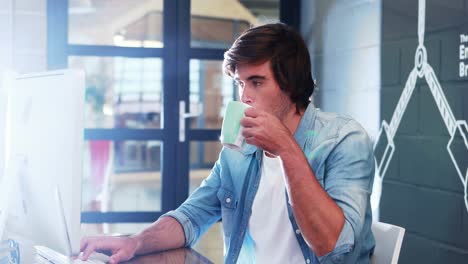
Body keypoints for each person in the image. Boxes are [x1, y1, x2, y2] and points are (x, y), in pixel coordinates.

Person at [80, 23, 375, 264]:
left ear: (291, 84)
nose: (244, 97)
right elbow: (190, 217)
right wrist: (135, 242)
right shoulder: (240, 151)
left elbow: (333, 247)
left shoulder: (344, 140)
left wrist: (286, 148)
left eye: (256, 82)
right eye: (239, 83)